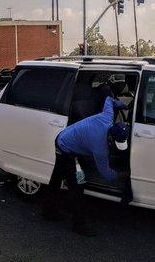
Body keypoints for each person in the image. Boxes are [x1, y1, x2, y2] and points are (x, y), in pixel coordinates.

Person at [42, 96, 129, 236]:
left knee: (57, 177)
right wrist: (123, 175)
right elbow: (106, 173)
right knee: (78, 184)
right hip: (67, 150)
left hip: (65, 137)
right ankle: (79, 225)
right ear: (111, 139)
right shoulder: (100, 148)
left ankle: (47, 210)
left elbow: (107, 99)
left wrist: (119, 104)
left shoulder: (107, 116)